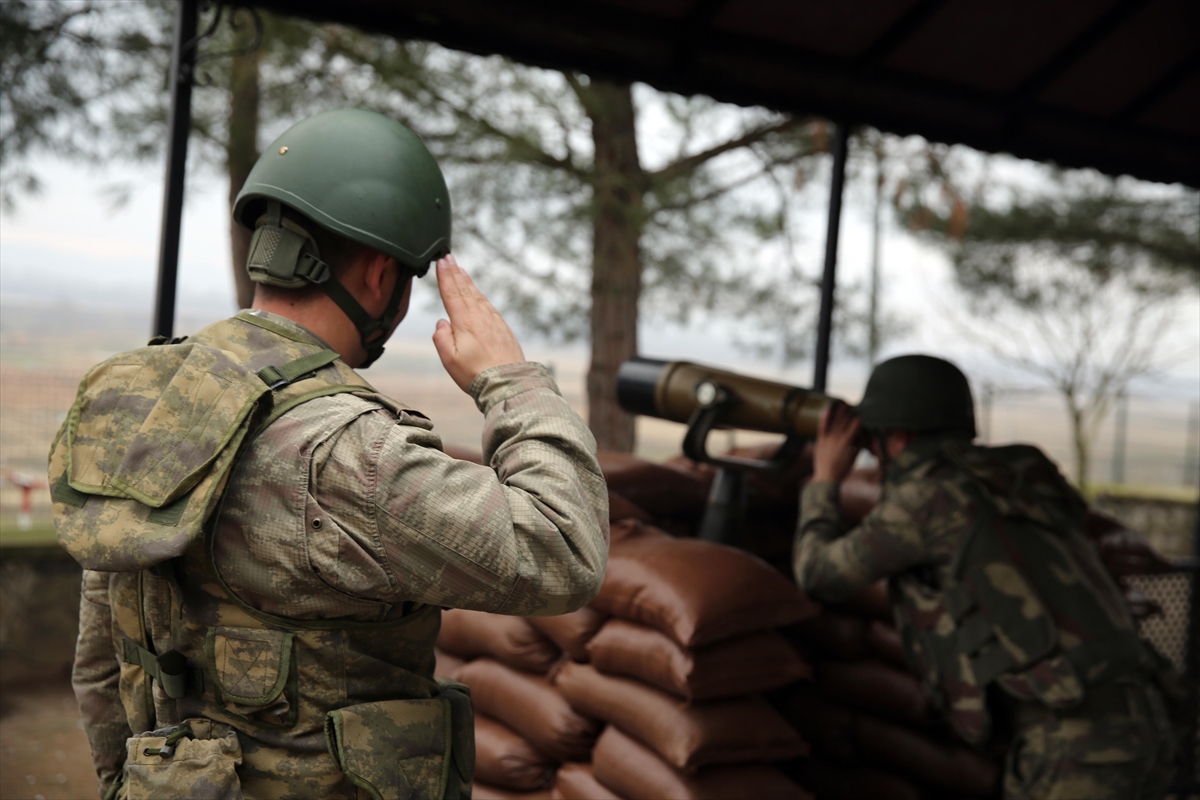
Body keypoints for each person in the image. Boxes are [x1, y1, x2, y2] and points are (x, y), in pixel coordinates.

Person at [54, 109, 609, 799]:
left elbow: (101, 662)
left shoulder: (140, 399)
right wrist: (511, 380)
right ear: (380, 277)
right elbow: (564, 550)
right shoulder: (352, 454)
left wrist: (121, 785)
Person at [793, 354, 1177, 800]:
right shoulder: (1021, 472)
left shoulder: (930, 498)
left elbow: (817, 573)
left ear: (896, 439)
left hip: (1075, 746)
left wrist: (823, 480)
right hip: (1151, 719)